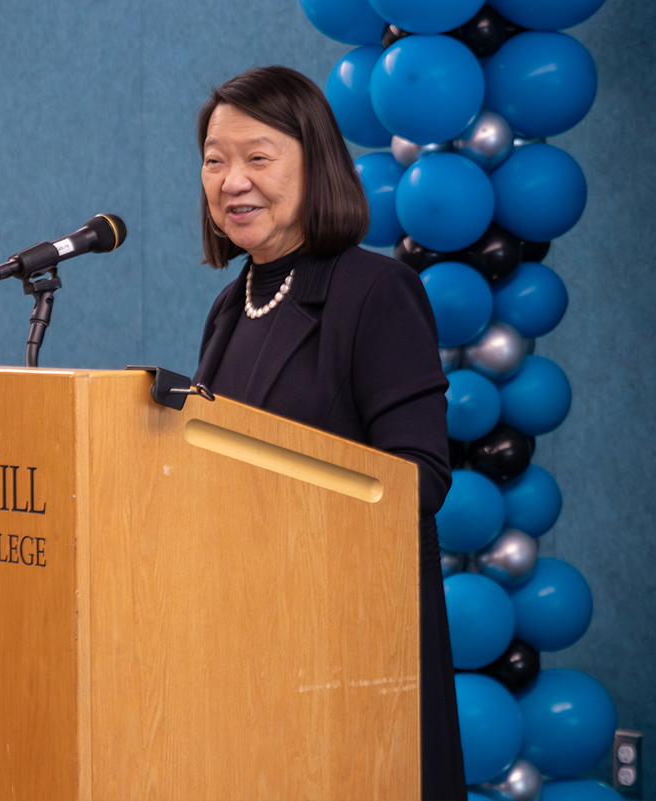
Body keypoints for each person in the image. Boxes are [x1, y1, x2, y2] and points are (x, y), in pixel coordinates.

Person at [191, 66, 467, 800]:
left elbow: (419, 476)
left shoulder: (375, 292)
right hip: (251, 639)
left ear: (315, 161)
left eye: (257, 156)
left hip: (350, 649)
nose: (231, 180)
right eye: (215, 159)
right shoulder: (231, 305)